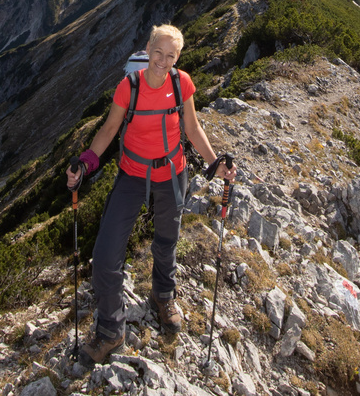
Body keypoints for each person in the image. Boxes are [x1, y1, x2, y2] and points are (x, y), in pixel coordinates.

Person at [66, 23, 237, 362]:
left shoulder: (182, 82)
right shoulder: (128, 88)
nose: (162, 60)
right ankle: (112, 330)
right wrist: (86, 163)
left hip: (171, 174)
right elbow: (109, 129)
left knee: (166, 241)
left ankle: (163, 295)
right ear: (147, 49)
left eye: (170, 55)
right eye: (157, 53)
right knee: (104, 257)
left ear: (177, 58)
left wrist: (214, 161)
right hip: (132, 175)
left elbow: (192, 127)